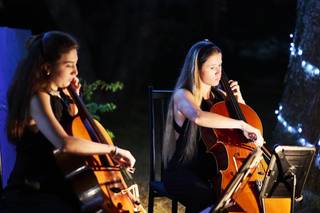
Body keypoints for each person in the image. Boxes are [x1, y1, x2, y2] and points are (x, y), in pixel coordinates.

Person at [0, 31, 135, 212]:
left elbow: (73, 127)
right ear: (47, 68)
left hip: (57, 186)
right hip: (33, 192)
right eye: (69, 65)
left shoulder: (58, 94)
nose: (76, 72)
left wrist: (76, 99)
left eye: (76, 65)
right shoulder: (37, 98)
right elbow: (65, 143)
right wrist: (113, 150)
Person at [162, 40, 264, 213]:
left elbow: (247, 124)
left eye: (220, 65)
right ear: (196, 69)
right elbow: (198, 116)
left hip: (213, 171)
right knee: (210, 199)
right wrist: (241, 124)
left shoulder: (221, 96)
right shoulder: (183, 95)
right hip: (183, 171)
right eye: (212, 67)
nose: (219, 72)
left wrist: (238, 101)